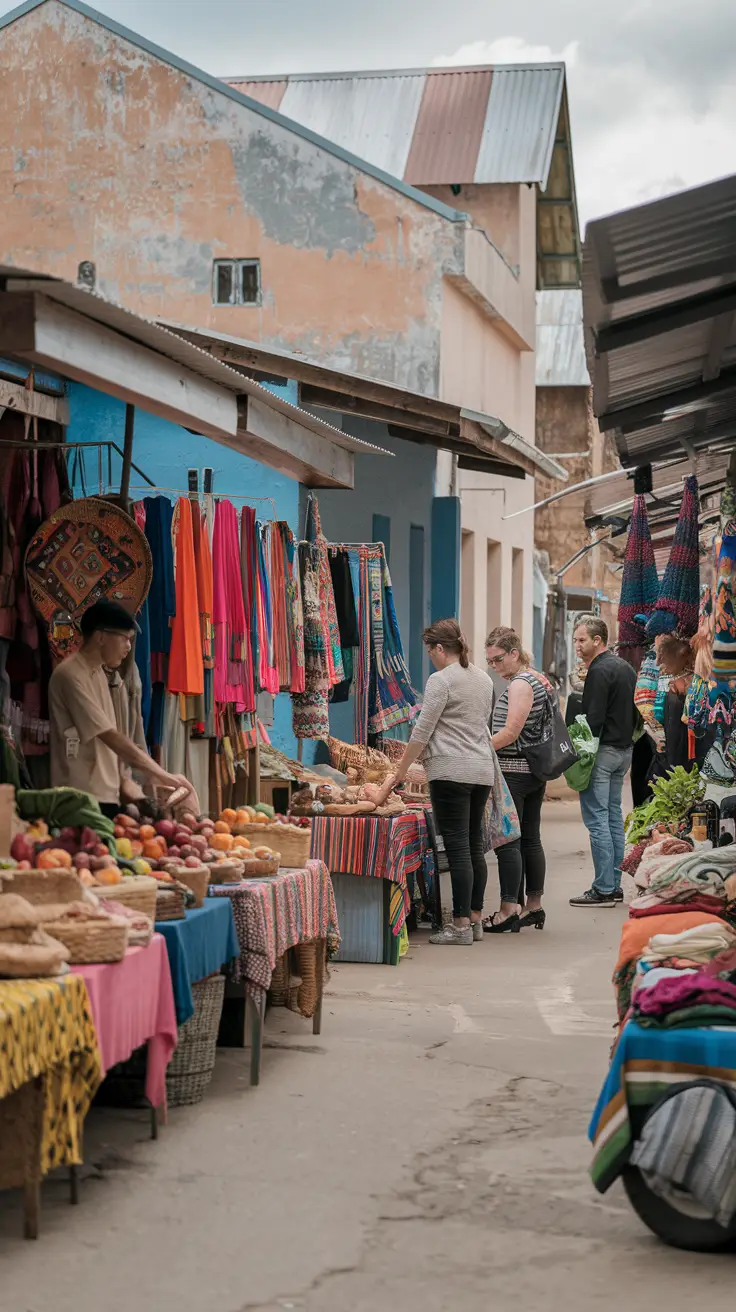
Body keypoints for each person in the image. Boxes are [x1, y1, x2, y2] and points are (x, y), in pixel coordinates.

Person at [374, 619, 494, 946]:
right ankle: (474, 919)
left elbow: (422, 731)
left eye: (430, 651)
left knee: (457, 848)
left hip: (451, 771)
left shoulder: (441, 680)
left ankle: (459, 926)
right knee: (474, 845)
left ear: (440, 648)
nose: (430, 657)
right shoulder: (483, 679)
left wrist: (400, 771)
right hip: (481, 771)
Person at [48, 600, 198, 818]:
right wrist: (162, 775)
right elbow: (110, 737)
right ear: (101, 637)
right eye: (124, 638)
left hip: (105, 797)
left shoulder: (100, 674)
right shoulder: (70, 675)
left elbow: (109, 746)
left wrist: (136, 794)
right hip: (79, 798)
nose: (128, 647)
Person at [569, 615, 637, 908]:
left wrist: (578, 756)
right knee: (612, 818)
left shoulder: (598, 670)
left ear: (598, 640)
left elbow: (591, 720)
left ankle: (603, 889)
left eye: (582, 640)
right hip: (623, 751)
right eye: (575, 640)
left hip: (602, 751)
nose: (577, 645)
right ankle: (614, 885)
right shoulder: (625, 667)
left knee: (598, 820)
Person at [485, 626, 550, 932]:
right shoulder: (538, 678)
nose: (494, 666)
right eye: (490, 661)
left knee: (508, 839)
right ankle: (532, 906)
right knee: (530, 838)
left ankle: (508, 909)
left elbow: (511, 732)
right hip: (533, 770)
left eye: (498, 659)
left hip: (515, 771)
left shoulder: (522, 684)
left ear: (514, 653)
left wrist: (480, 747)